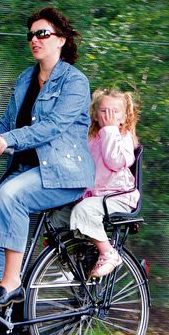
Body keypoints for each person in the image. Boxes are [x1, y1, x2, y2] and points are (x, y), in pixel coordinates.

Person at [0, 7, 94, 307]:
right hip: (26, 172)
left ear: (60, 40)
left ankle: (12, 284)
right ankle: (12, 309)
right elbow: (5, 125)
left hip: (63, 173)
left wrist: (8, 140)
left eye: (42, 33)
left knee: (11, 195)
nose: (35, 39)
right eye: (31, 35)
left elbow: (52, 126)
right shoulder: (25, 79)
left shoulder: (74, 82)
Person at [51, 88, 140, 278]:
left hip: (118, 196)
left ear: (124, 117)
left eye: (114, 112)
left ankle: (109, 254)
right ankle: (71, 263)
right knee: (56, 218)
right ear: (95, 115)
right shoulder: (91, 137)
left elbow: (114, 161)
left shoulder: (124, 138)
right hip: (94, 196)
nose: (108, 115)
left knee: (83, 211)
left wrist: (109, 130)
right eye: (103, 111)